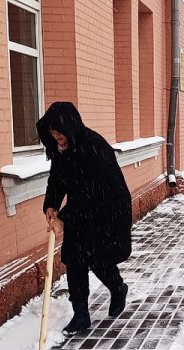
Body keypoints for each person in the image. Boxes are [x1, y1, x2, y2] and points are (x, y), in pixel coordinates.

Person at [38, 101, 133, 336]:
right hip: (81, 210)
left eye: (59, 131)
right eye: (52, 132)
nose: (56, 136)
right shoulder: (61, 149)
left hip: (107, 210)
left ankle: (117, 287)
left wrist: (64, 217)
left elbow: (90, 190)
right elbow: (57, 180)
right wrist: (51, 204)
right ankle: (81, 315)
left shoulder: (93, 146)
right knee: (75, 260)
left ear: (70, 126)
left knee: (99, 259)